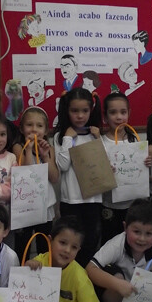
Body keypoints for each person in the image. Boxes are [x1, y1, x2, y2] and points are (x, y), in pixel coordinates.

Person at [54, 87, 103, 267]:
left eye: (85, 111)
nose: (80, 116)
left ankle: (84, 280)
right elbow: (63, 166)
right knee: (69, 243)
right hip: (71, 200)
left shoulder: (95, 135)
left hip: (93, 199)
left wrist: (99, 140)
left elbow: (103, 166)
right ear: (67, 111)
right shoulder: (62, 136)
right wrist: (68, 138)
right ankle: (70, 277)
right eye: (75, 111)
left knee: (90, 243)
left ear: (91, 110)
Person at [101, 93, 152, 244]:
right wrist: (105, 171)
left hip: (133, 204)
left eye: (123, 112)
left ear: (129, 113)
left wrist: (146, 163)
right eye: (113, 112)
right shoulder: (101, 143)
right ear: (105, 116)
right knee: (110, 240)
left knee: (131, 240)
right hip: (110, 204)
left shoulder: (135, 140)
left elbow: (141, 170)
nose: (119, 117)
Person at [12, 106, 59, 261]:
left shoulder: (49, 148)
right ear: (21, 128)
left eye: (39, 126)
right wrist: (29, 150)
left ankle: (43, 279)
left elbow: (54, 178)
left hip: (45, 206)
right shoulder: (18, 147)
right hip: (26, 205)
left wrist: (45, 156)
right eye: (29, 125)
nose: (34, 129)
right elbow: (25, 175)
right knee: (22, 245)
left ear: (46, 131)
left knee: (44, 246)